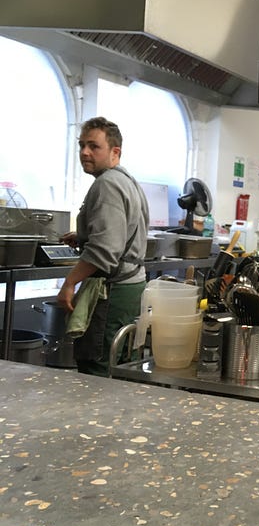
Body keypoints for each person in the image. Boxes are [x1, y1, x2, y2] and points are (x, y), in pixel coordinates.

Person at [57, 117, 150, 376]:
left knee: (97, 371)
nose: (85, 152)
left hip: (113, 293)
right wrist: (85, 235)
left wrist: (69, 283)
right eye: (82, 145)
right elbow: (121, 234)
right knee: (119, 366)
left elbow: (104, 252)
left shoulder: (107, 184)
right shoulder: (126, 180)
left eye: (94, 146)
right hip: (131, 288)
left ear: (114, 151)